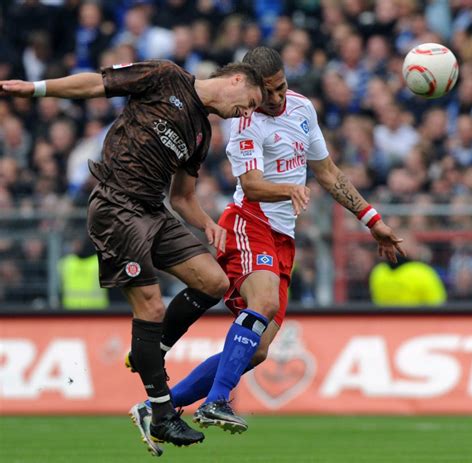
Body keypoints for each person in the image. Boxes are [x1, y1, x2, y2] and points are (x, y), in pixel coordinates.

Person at [127, 47, 405, 452]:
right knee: (265, 302)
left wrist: (372, 221)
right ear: (253, 87)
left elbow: (327, 171)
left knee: (256, 350)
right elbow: (253, 185)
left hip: (282, 238)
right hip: (248, 221)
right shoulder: (245, 122)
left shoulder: (302, 109)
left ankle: (157, 409)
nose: (276, 98)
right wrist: (289, 187)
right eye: (268, 92)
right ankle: (217, 401)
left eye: (282, 88)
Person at [0, 58, 264, 453]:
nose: (247, 112)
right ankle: (161, 415)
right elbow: (96, 84)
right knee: (151, 307)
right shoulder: (165, 76)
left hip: (154, 211)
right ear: (236, 79)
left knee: (213, 281)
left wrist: (207, 223)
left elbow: (182, 198)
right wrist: (38, 89)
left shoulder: (201, 134)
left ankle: (151, 351)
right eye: (251, 101)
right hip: (116, 205)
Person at [369, 234, 447, 306]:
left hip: (386, 320)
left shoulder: (378, 272)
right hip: (417, 320)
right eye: (415, 245)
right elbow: (438, 304)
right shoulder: (422, 272)